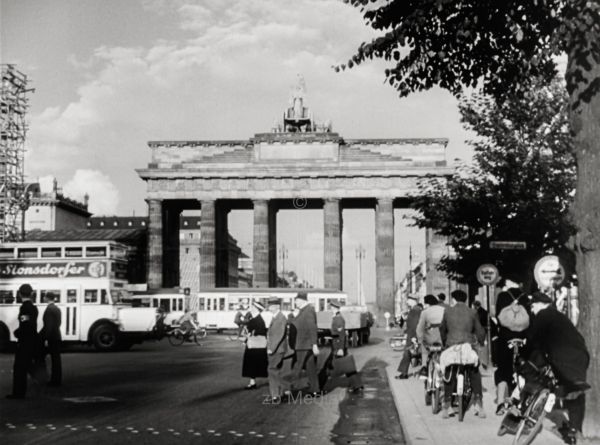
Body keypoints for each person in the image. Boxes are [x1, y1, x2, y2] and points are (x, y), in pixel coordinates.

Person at [522, 291, 590, 442]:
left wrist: (524, 356)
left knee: (533, 373)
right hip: (581, 356)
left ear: (539, 304)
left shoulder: (543, 315)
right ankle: (575, 430)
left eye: (532, 306)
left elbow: (534, 339)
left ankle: (528, 415)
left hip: (561, 356)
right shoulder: (559, 316)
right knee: (575, 390)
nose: (532, 310)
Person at [439, 289, 486, 419]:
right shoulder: (472, 312)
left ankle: (447, 405)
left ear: (453, 299)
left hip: (452, 346)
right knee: (474, 370)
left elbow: (442, 329)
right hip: (467, 346)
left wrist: (444, 343)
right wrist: (481, 342)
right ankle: (479, 404)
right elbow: (479, 330)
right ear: (465, 300)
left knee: (449, 371)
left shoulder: (448, 311)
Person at [493, 288, 528, 415]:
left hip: (505, 337)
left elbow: (497, 316)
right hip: (523, 337)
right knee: (523, 370)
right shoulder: (525, 296)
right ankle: (519, 401)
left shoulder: (502, 296)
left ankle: (500, 404)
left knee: (502, 370)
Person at [6, 284, 39, 399]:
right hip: (30, 341)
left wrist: (17, 333)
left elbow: (25, 324)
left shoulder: (24, 308)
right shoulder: (33, 307)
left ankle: (18, 393)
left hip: (25, 342)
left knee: (19, 368)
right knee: (25, 366)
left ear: (20, 294)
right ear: (31, 294)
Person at [290, 292, 321, 395]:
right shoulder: (304, 310)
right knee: (310, 367)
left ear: (302, 300)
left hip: (303, 344)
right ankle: (315, 389)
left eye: (297, 300)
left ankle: (289, 390)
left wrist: (314, 344)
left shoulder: (308, 311)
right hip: (304, 344)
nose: (295, 303)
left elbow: (312, 328)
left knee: (296, 367)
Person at [266, 298, 289, 403]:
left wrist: (271, 348)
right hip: (278, 349)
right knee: (277, 370)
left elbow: (278, 335)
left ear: (277, 307)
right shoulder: (277, 317)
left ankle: (275, 395)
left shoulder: (280, 318)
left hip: (276, 350)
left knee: (272, 370)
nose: (269, 307)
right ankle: (282, 392)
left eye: (271, 306)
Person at [416, 294, 445, 378]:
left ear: (427, 304)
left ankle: (424, 367)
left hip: (431, 338)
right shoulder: (444, 310)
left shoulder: (425, 312)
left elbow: (419, 328)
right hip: (442, 338)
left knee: (424, 348)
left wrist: (419, 340)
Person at [242, 302, 268, 390]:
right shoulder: (256, 319)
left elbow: (260, 333)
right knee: (253, 364)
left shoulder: (258, 320)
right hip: (254, 345)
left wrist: (249, 335)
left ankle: (253, 383)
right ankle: (252, 382)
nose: (251, 308)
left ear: (257, 309)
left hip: (255, 346)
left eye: (253, 307)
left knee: (253, 364)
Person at [395, 295, 422, 379]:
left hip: (412, 335)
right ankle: (404, 373)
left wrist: (413, 337)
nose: (407, 302)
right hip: (412, 334)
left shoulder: (415, 310)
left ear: (413, 300)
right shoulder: (416, 310)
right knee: (408, 353)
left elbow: (414, 325)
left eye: (408, 300)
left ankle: (404, 373)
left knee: (407, 353)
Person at [40, 292, 62, 387]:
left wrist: (45, 339)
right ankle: (57, 379)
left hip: (51, 337)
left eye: (44, 296)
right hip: (57, 335)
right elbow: (58, 323)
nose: (43, 298)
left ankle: (53, 381)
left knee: (48, 357)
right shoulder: (57, 309)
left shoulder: (49, 310)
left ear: (47, 298)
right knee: (56, 359)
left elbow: (48, 326)